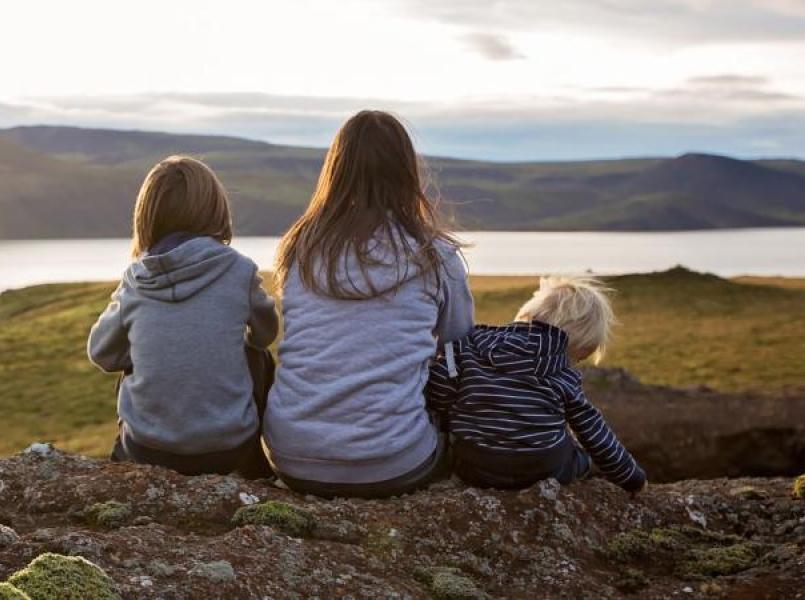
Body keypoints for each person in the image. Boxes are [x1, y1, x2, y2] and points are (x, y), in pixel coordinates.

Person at [265, 110, 474, 498]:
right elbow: (461, 346)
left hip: (293, 457)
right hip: (396, 461)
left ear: (336, 171)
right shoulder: (436, 256)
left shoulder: (299, 250)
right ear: (405, 173)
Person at [87, 155, 278, 478]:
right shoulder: (239, 270)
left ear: (147, 216)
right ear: (215, 209)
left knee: (129, 365)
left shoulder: (137, 278)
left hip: (147, 450)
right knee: (257, 357)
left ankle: (123, 467)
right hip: (229, 450)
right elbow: (265, 334)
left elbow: (102, 353)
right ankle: (256, 465)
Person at [427, 275, 647, 492]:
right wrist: (632, 478)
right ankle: (582, 466)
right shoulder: (561, 370)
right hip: (541, 468)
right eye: (579, 359)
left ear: (528, 312)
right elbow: (594, 432)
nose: (574, 365)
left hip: (475, 466)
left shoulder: (473, 345)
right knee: (579, 455)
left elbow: (439, 392)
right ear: (578, 346)